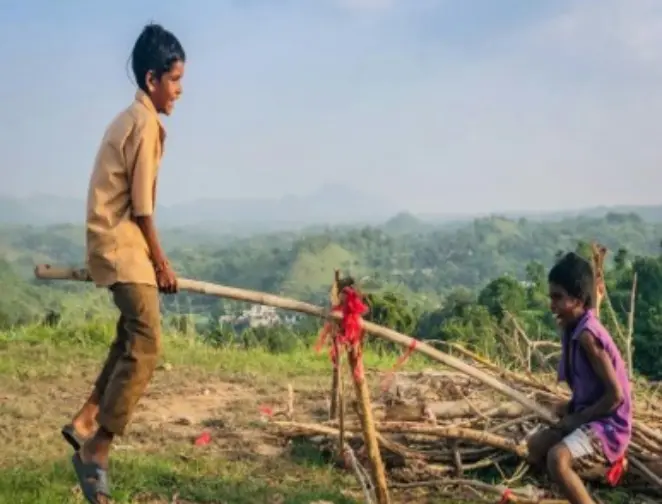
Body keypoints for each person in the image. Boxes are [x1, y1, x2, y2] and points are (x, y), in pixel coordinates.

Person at [61, 23, 186, 504]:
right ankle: (97, 450)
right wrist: (162, 261)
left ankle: (86, 418)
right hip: (122, 243)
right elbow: (142, 207)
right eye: (174, 80)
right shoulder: (147, 123)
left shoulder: (127, 117)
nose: (179, 90)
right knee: (148, 340)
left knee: (130, 335)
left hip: (112, 240)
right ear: (152, 78)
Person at [527, 252, 632, 504]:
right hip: (589, 414)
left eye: (558, 298)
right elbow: (593, 302)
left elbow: (615, 396)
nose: (552, 305)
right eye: (551, 296)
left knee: (556, 458)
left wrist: (574, 419)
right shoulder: (576, 322)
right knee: (535, 447)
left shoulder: (587, 337)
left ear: (576, 300)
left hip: (608, 426)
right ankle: (573, 481)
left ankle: (593, 479)